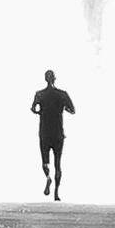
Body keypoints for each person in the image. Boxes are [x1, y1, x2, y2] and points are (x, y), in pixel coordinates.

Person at [30, 69, 76, 200]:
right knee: (58, 163)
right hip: (58, 132)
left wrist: (39, 113)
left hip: (44, 132)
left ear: (45, 79)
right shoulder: (62, 95)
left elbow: (33, 109)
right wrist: (62, 108)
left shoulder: (39, 95)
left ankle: (48, 177)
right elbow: (72, 110)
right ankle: (56, 193)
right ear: (55, 79)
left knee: (45, 162)